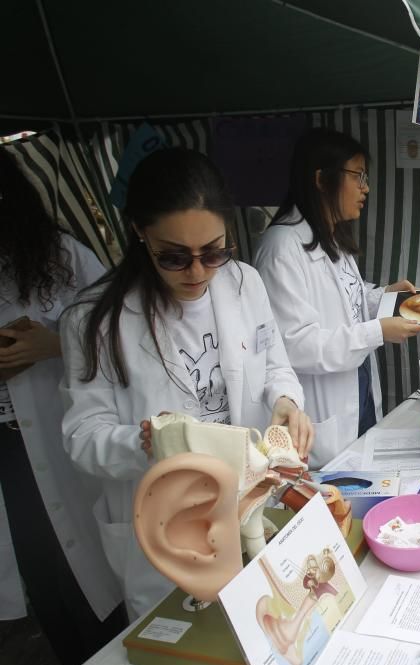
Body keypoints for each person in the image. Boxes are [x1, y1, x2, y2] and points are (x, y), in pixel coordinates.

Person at [61, 148, 313, 619]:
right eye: (174, 257)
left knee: (268, 619)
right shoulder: (95, 322)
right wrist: (151, 443)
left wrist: (285, 402)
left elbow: (276, 364)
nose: (198, 272)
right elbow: (81, 437)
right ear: (140, 233)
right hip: (169, 529)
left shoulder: (244, 283)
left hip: (247, 505)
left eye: (214, 251)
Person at [0, 151, 126, 664]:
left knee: (91, 573)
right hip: (10, 448)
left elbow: (118, 332)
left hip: (62, 436)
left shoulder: (64, 257)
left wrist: (51, 346)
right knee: (40, 571)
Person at [255, 129, 420, 466]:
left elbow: (347, 296)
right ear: (322, 179)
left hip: (357, 393)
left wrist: (382, 296)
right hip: (323, 414)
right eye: (358, 176)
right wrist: (379, 331)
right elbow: (295, 345)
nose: (366, 187)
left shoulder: (330, 237)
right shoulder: (281, 248)